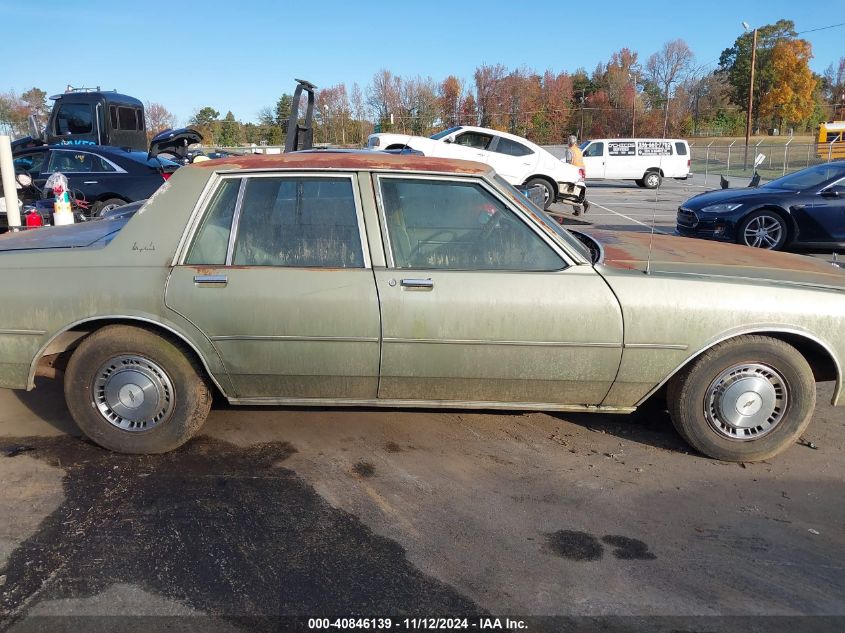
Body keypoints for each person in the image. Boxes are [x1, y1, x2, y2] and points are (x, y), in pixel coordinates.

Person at [565, 135, 590, 216]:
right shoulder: (578, 150)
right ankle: (582, 205)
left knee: (572, 190)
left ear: (569, 142)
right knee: (578, 189)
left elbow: (568, 163)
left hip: (574, 172)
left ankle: (579, 207)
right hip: (581, 171)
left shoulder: (569, 151)